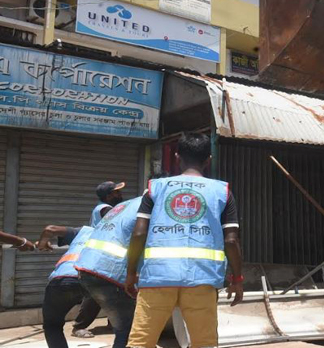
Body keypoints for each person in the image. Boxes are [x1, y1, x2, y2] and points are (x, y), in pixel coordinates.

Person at [125, 133, 244, 348]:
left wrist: (130, 271)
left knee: (140, 342)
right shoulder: (222, 192)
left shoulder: (155, 188)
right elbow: (232, 240)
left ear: (178, 157)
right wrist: (237, 278)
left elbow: (139, 234)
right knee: (204, 343)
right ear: (209, 159)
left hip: (157, 278)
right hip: (202, 279)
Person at [74, 196, 142, 348]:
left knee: (122, 324)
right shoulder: (148, 205)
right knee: (128, 327)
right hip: (109, 269)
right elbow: (140, 235)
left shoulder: (126, 204)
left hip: (89, 266)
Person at [37, 225, 95, 348]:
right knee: (122, 326)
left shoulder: (84, 231)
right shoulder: (118, 235)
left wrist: (42, 244)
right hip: (95, 281)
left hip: (61, 280)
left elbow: (49, 230)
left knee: (52, 325)